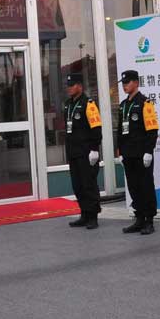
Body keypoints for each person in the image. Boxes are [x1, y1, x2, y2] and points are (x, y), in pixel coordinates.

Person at [116, 70, 159, 235]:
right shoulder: (123, 105)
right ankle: (139, 218)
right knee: (133, 187)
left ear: (136, 83)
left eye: (127, 82)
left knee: (145, 186)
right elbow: (120, 131)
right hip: (128, 154)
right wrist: (120, 151)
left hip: (141, 154)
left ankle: (149, 220)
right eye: (123, 83)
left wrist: (148, 151)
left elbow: (152, 130)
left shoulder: (145, 103)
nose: (125, 86)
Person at [62, 73, 102, 229]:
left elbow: (96, 128)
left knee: (88, 185)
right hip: (73, 152)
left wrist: (94, 149)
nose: (69, 88)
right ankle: (84, 214)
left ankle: (93, 216)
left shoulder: (89, 104)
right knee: (77, 185)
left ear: (80, 86)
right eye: (68, 86)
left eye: (72, 85)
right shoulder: (68, 105)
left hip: (86, 152)